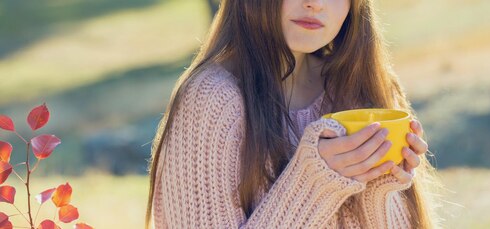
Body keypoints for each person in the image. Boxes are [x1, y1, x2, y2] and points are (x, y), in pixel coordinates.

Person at [145, 0, 440, 228]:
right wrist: (315, 181)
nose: (315, 3)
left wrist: (376, 185)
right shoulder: (211, 100)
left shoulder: (362, 89)